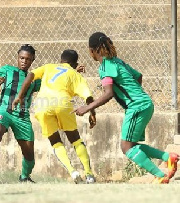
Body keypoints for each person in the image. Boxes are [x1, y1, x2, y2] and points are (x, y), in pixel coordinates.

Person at [72, 32, 179, 184]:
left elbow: (108, 93)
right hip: (145, 103)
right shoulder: (117, 62)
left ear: (92, 50)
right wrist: (133, 94)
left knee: (126, 147)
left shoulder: (104, 67)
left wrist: (88, 107)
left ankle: (160, 176)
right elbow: (139, 76)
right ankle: (169, 158)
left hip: (137, 106)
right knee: (132, 145)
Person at [12, 49, 97, 184]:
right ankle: (89, 174)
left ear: (61, 60)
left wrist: (20, 96)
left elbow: (30, 75)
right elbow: (88, 97)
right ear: (75, 63)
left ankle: (72, 171)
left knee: (55, 140)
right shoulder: (75, 75)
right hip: (62, 102)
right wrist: (92, 113)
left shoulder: (49, 67)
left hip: (41, 104)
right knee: (74, 138)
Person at [0, 44, 41, 183]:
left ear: (32, 60)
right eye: (21, 58)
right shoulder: (7, 70)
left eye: (27, 59)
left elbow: (52, 84)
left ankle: (24, 177)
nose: (24, 61)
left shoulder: (35, 78)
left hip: (22, 117)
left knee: (29, 155)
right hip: (4, 111)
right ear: (18, 58)